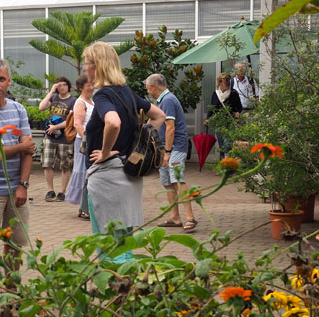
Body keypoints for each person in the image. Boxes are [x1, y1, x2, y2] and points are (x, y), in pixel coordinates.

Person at [82, 42, 165, 238]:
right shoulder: (126, 92)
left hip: (107, 179)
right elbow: (160, 116)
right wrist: (143, 142)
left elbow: (113, 122)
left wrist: (104, 151)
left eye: (87, 63)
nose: (84, 67)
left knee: (108, 245)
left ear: (97, 65)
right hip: (129, 174)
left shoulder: (102, 95)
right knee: (124, 244)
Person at [0, 58, 34, 269]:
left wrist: (23, 185)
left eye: (1, 79)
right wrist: (20, 148)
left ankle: (11, 289)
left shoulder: (19, 109)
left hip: (16, 191)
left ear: (9, 82)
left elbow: (29, 151)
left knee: (16, 243)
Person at [145, 74, 197, 232]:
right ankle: (175, 217)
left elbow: (170, 127)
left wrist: (167, 152)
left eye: (148, 88)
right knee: (167, 181)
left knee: (178, 180)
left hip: (175, 147)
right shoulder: (163, 100)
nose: (148, 92)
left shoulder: (167, 100)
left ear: (154, 86)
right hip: (166, 148)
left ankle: (190, 217)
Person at [38, 76, 75, 202]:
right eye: (59, 85)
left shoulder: (73, 101)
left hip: (65, 137)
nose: (62, 87)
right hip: (50, 136)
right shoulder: (53, 98)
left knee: (65, 165)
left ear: (68, 86)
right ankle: (50, 190)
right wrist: (51, 92)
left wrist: (56, 127)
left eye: (64, 84)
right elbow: (41, 107)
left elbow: (72, 120)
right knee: (47, 163)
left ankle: (62, 192)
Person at [65, 74, 95, 219]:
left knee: (89, 172)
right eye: (88, 84)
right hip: (83, 142)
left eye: (92, 84)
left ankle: (87, 206)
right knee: (83, 172)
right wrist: (86, 140)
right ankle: (83, 208)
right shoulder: (80, 102)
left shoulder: (92, 101)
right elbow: (77, 124)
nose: (91, 87)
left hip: (90, 141)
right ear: (81, 87)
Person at [209, 72, 243, 159]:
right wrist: (208, 119)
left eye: (229, 80)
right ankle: (223, 164)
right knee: (221, 145)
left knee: (228, 144)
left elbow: (239, 107)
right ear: (220, 82)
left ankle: (228, 164)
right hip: (219, 123)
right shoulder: (215, 93)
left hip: (230, 122)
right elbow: (212, 108)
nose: (228, 82)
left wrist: (237, 112)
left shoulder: (233, 93)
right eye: (226, 80)